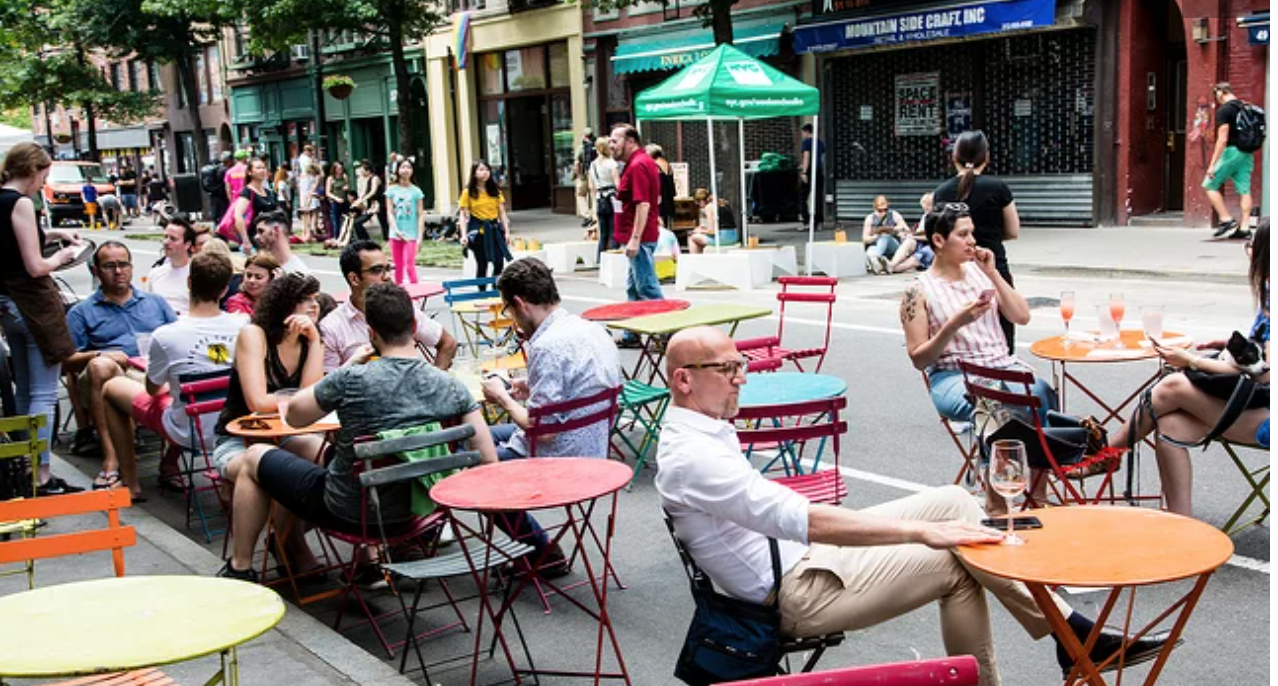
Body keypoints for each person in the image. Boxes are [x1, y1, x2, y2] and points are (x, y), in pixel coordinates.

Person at [656, 325, 1172, 686]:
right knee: (957, 561)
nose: (741, 377)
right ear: (684, 379)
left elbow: (787, 518)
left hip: (799, 558)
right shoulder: (692, 456)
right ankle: (1073, 640)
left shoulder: (702, 429)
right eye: (727, 369)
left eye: (740, 365)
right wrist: (922, 534)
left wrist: (931, 526)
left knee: (954, 501)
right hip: (793, 593)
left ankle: (1071, 636)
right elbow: (808, 521)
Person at [218, 282, 498, 582]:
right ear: (415, 326)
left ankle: (240, 567)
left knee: (256, 456)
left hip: (349, 511)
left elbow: (296, 417)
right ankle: (298, 549)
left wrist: (344, 369)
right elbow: (487, 460)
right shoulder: (451, 387)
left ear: (371, 332)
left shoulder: (351, 379)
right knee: (307, 452)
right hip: (421, 512)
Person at [1109, 218, 1269, 517]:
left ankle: (1108, 454)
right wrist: (1235, 347)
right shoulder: (1269, 294)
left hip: (1267, 419)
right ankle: (1182, 526)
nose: (1247, 250)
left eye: (1251, 245)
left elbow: (1267, 374)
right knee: (1170, 426)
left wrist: (1192, 361)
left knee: (1173, 386)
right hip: (1255, 407)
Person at [900, 204, 1055, 512]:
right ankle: (997, 505)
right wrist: (955, 324)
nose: (972, 240)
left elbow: (1021, 316)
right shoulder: (918, 291)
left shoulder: (980, 273)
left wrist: (993, 273)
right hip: (953, 376)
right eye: (963, 234)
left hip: (1002, 365)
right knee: (996, 402)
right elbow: (919, 358)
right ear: (939, 241)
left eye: (973, 233)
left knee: (1040, 391)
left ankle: (1039, 496)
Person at [480, 258, 621, 566]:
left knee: (473, 462)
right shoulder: (591, 329)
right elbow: (581, 389)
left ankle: (540, 551)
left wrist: (503, 398)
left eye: (509, 310)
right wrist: (530, 387)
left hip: (560, 456)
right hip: (594, 445)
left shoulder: (545, 346)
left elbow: (544, 432)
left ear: (519, 303)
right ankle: (538, 549)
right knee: (478, 435)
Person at [101, 252, 247, 501]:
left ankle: (130, 482)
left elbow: (153, 390)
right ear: (224, 290)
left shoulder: (166, 335)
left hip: (188, 430)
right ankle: (169, 467)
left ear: (189, 283)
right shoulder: (244, 324)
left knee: (112, 388)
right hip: (236, 429)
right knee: (185, 399)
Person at [212, 274, 327, 574]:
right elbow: (256, 402)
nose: (315, 307)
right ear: (286, 305)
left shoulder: (312, 340)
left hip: (286, 436)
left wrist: (315, 342)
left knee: (326, 461)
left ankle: (287, 539)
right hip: (237, 439)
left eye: (316, 299)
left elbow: (310, 401)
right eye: (308, 300)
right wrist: (295, 401)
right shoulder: (254, 335)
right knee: (259, 468)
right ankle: (241, 566)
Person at [0, 143, 88, 495]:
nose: (43, 183)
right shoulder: (21, 203)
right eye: (44, 175)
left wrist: (54, 233)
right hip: (31, 305)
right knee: (43, 392)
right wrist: (64, 255)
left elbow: (14, 243)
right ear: (32, 170)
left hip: (6, 305)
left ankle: (24, 466)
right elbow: (36, 265)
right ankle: (42, 475)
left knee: (24, 386)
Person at [63, 241, 177, 474]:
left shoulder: (155, 303)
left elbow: (178, 338)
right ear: (96, 271)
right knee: (100, 366)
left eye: (123, 264)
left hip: (151, 373)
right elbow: (67, 360)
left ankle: (171, 462)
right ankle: (111, 457)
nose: (118, 271)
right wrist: (100, 354)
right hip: (108, 377)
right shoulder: (81, 311)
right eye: (109, 266)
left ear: (131, 267)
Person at [933, 130, 1021, 348]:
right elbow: (1013, 230)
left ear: (954, 157)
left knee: (960, 337)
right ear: (986, 157)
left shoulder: (941, 192)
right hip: (993, 270)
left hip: (954, 272)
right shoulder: (998, 187)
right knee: (1002, 338)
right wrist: (989, 234)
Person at [320, 240, 456, 371]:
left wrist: (435, 383)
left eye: (388, 269)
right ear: (354, 279)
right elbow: (326, 388)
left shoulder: (403, 309)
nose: (387, 277)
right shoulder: (332, 327)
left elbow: (448, 343)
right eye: (377, 270)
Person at [609, 123, 663, 346]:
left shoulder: (638, 165)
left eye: (615, 140)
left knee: (646, 286)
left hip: (638, 235)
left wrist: (635, 238)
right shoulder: (636, 163)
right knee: (634, 286)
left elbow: (643, 204)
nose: (611, 145)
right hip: (635, 234)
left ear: (630, 141)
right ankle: (633, 332)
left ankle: (669, 331)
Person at [1205, 83, 1258, 239]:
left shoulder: (1225, 110)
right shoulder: (1244, 106)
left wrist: (1212, 164)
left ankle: (1226, 219)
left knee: (1209, 184)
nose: (1217, 98)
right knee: (1244, 190)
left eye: (1216, 95)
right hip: (1246, 153)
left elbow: (1222, 139)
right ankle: (1245, 227)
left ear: (1221, 92)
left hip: (1231, 152)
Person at [458, 160, 511, 286]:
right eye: (481, 170)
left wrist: (507, 232)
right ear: (474, 173)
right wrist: (464, 235)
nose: (484, 173)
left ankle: (494, 288)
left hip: (494, 230)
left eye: (486, 170)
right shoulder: (468, 192)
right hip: (478, 232)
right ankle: (481, 293)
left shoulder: (495, 191)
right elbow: (463, 215)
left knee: (499, 262)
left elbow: (502, 213)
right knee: (482, 264)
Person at [384, 158, 426, 285]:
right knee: (398, 267)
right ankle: (398, 296)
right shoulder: (391, 190)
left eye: (408, 167)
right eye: (403, 167)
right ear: (397, 170)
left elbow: (420, 214)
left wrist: (420, 237)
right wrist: (396, 230)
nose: (406, 170)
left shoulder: (416, 191)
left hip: (411, 234)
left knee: (410, 266)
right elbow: (390, 212)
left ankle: (416, 296)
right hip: (395, 234)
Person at [145, 215, 196, 316]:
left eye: (173, 239)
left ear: (187, 245)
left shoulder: (197, 273)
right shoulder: (154, 274)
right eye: (165, 237)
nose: (166, 242)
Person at [228, 157, 278, 253]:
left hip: (270, 237)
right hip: (255, 237)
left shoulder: (268, 192)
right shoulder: (247, 192)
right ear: (250, 172)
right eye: (258, 168)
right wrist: (245, 240)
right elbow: (238, 216)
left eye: (263, 168)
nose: (262, 170)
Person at [861, 195, 910, 275]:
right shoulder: (870, 218)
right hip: (877, 244)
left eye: (885, 210)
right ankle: (877, 261)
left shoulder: (894, 215)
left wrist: (894, 229)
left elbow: (905, 228)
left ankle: (875, 260)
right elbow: (865, 238)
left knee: (885, 236)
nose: (883, 213)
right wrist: (875, 237)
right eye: (880, 211)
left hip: (893, 245)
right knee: (870, 251)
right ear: (875, 208)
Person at [252, 209, 310, 275]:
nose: (256, 237)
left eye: (261, 231)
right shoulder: (258, 266)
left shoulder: (298, 273)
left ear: (276, 230)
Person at [588, 137, 618, 260]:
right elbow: (617, 182)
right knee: (613, 229)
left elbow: (591, 186)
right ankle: (613, 258)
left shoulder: (593, 164)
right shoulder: (611, 163)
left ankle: (600, 258)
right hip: (612, 197)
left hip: (599, 198)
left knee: (603, 232)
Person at [799, 123, 825, 229]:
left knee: (802, 196)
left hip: (810, 170)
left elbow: (806, 157)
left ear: (806, 131)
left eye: (803, 132)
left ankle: (807, 221)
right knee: (818, 196)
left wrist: (804, 172)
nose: (802, 135)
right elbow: (821, 155)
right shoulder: (819, 142)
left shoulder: (806, 142)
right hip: (819, 170)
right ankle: (819, 222)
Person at [348, 160, 381, 243]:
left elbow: (373, 191)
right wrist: (357, 202)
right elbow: (363, 193)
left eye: (362, 170)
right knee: (356, 223)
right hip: (372, 205)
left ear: (368, 171)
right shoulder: (367, 179)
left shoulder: (375, 178)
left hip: (379, 204)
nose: (361, 172)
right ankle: (365, 241)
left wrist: (362, 200)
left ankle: (367, 241)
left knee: (384, 225)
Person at [647, 144, 677, 235]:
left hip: (659, 196)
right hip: (669, 195)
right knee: (668, 220)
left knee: (659, 220)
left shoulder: (654, 165)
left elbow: (655, 183)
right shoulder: (667, 164)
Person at [202, 152, 233, 226]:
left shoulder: (215, 170)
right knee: (224, 215)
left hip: (214, 195)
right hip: (223, 196)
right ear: (229, 160)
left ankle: (217, 229)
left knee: (216, 216)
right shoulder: (225, 170)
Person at [688, 188, 723, 254]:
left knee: (692, 238)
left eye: (698, 204)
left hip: (723, 238)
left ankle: (696, 261)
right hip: (732, 235)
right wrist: (704, 229)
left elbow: (712, 231)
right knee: (699, 237)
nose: (699, 206)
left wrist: (700, 231)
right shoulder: (720, 203)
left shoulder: (708, 207)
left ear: (702, 201)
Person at [574, 129, 597, 229]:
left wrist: (577, 174)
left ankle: (586, 215)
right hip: (595, 174)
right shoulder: (597, 146)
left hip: (584, 174)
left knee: (581, 194)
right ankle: (594, 216)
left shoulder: (581, 148)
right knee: (594, 195)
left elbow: (577, 163)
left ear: (584, 136)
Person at [297, 162, 322, 244]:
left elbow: (302, 189)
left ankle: (308, 234)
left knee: (308, 217)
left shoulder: (303, 177)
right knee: (311, 216)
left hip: (307, 197)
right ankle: (309, 234)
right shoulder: (314, 177)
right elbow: (313, 188)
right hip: (309, 196)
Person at [223, 150, 249, 224]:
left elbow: (228, 189)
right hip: (248, 199)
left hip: (235, 200)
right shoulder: (248, 169)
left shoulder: (229, 172)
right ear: (244, 158)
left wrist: (231, 201)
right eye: (246, 157)